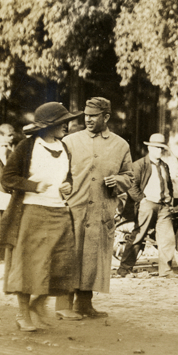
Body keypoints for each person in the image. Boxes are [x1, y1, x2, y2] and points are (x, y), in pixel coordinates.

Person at [0, 102, 82, 331]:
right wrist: (33, 185)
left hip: (60, 213)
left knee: (61, 265)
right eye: (62, 122)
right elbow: (8, 177)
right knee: (29, 265)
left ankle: (37, 305)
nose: (67, 126)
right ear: (49, 125)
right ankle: (23, 313)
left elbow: (68, 178)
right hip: (32, 213)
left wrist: (67, 187)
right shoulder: (27, 146)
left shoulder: (65, 148)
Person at [55, 97, 133, 320]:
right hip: (73, 209)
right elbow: (59, 172)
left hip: (101, 210)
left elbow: (129, 177)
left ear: (106, 117)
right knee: (70, 256)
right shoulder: (70, 142)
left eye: (93, 116)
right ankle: (63, 305)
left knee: (92, 258)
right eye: (86, 116)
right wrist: (64, 186)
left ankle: (84, 305)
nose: (88, 120)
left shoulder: (120, 145)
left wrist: (118, 181)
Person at [116, 133, 176, 278]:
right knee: (138, 235)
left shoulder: (164, 166)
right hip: (147, 204)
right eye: (156, 148)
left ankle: (166, 271)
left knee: (167, 238)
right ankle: (124, 269)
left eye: (162, 148)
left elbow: (168, 185)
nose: (159, 151)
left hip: (163, 206)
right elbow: (131, 185)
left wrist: (170, 201)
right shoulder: (139, 165)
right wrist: (141, 200)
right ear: (149, 148)